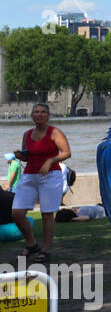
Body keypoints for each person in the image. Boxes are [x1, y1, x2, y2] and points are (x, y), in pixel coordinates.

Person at [10, 102, 71, 263]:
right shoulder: (27, 134)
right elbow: (27, 156)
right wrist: (19, 155)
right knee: (17, 213)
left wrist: (50, 160)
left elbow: (66, 153)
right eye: (36, 112)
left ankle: (46, 250)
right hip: (29, 175)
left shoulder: (54, 132)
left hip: (50, 176)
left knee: (46, 214)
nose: (39, 114)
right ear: (32, 115)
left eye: (43, 112)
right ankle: (32, 244)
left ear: (48, 115)